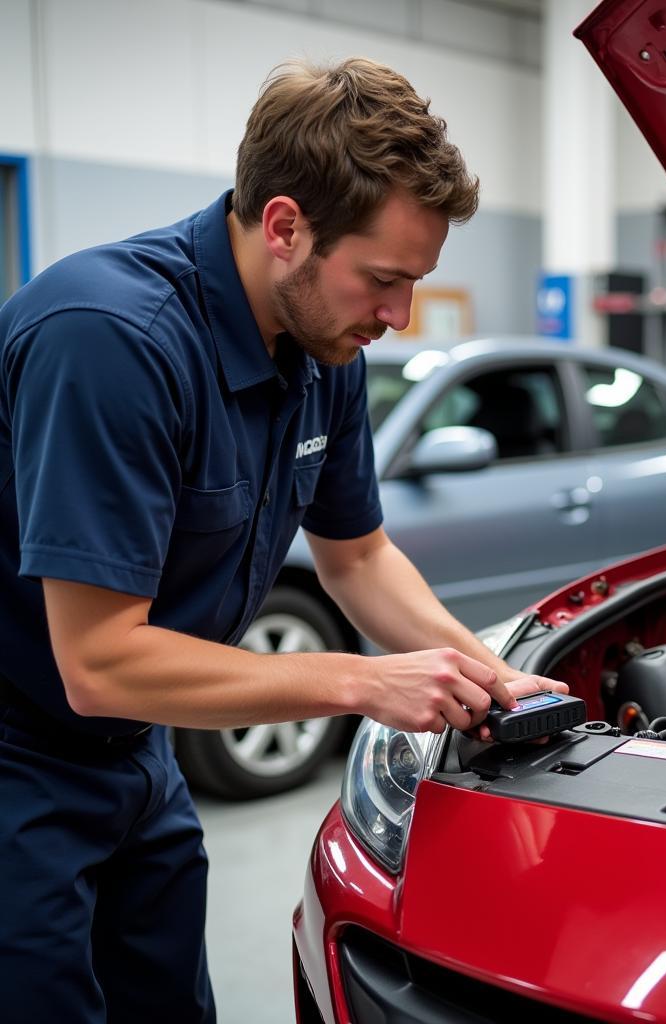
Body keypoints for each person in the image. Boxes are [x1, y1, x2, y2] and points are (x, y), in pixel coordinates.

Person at [0, 57, 565, 1022]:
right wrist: (363, 682)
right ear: (285, 227)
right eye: (384, 280)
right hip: (19, 760)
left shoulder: (320, 348)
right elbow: (96, 661)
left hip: (141, 757)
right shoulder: (109, 339)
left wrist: (491, 677)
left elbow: (358, 556)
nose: (399, 317)